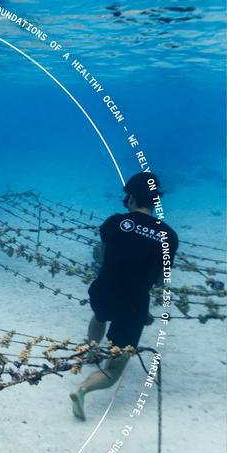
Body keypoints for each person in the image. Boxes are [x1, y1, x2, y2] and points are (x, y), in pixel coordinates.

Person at [70, 172, 178, 421]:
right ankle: (83, 389)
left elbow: (101, 256)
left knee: (99, 315)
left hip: (105, 289)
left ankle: (91, 350)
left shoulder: (114, 222)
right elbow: (163, 279)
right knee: (113, 371)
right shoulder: (168, 236)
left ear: (129, 198)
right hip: (135, 302)